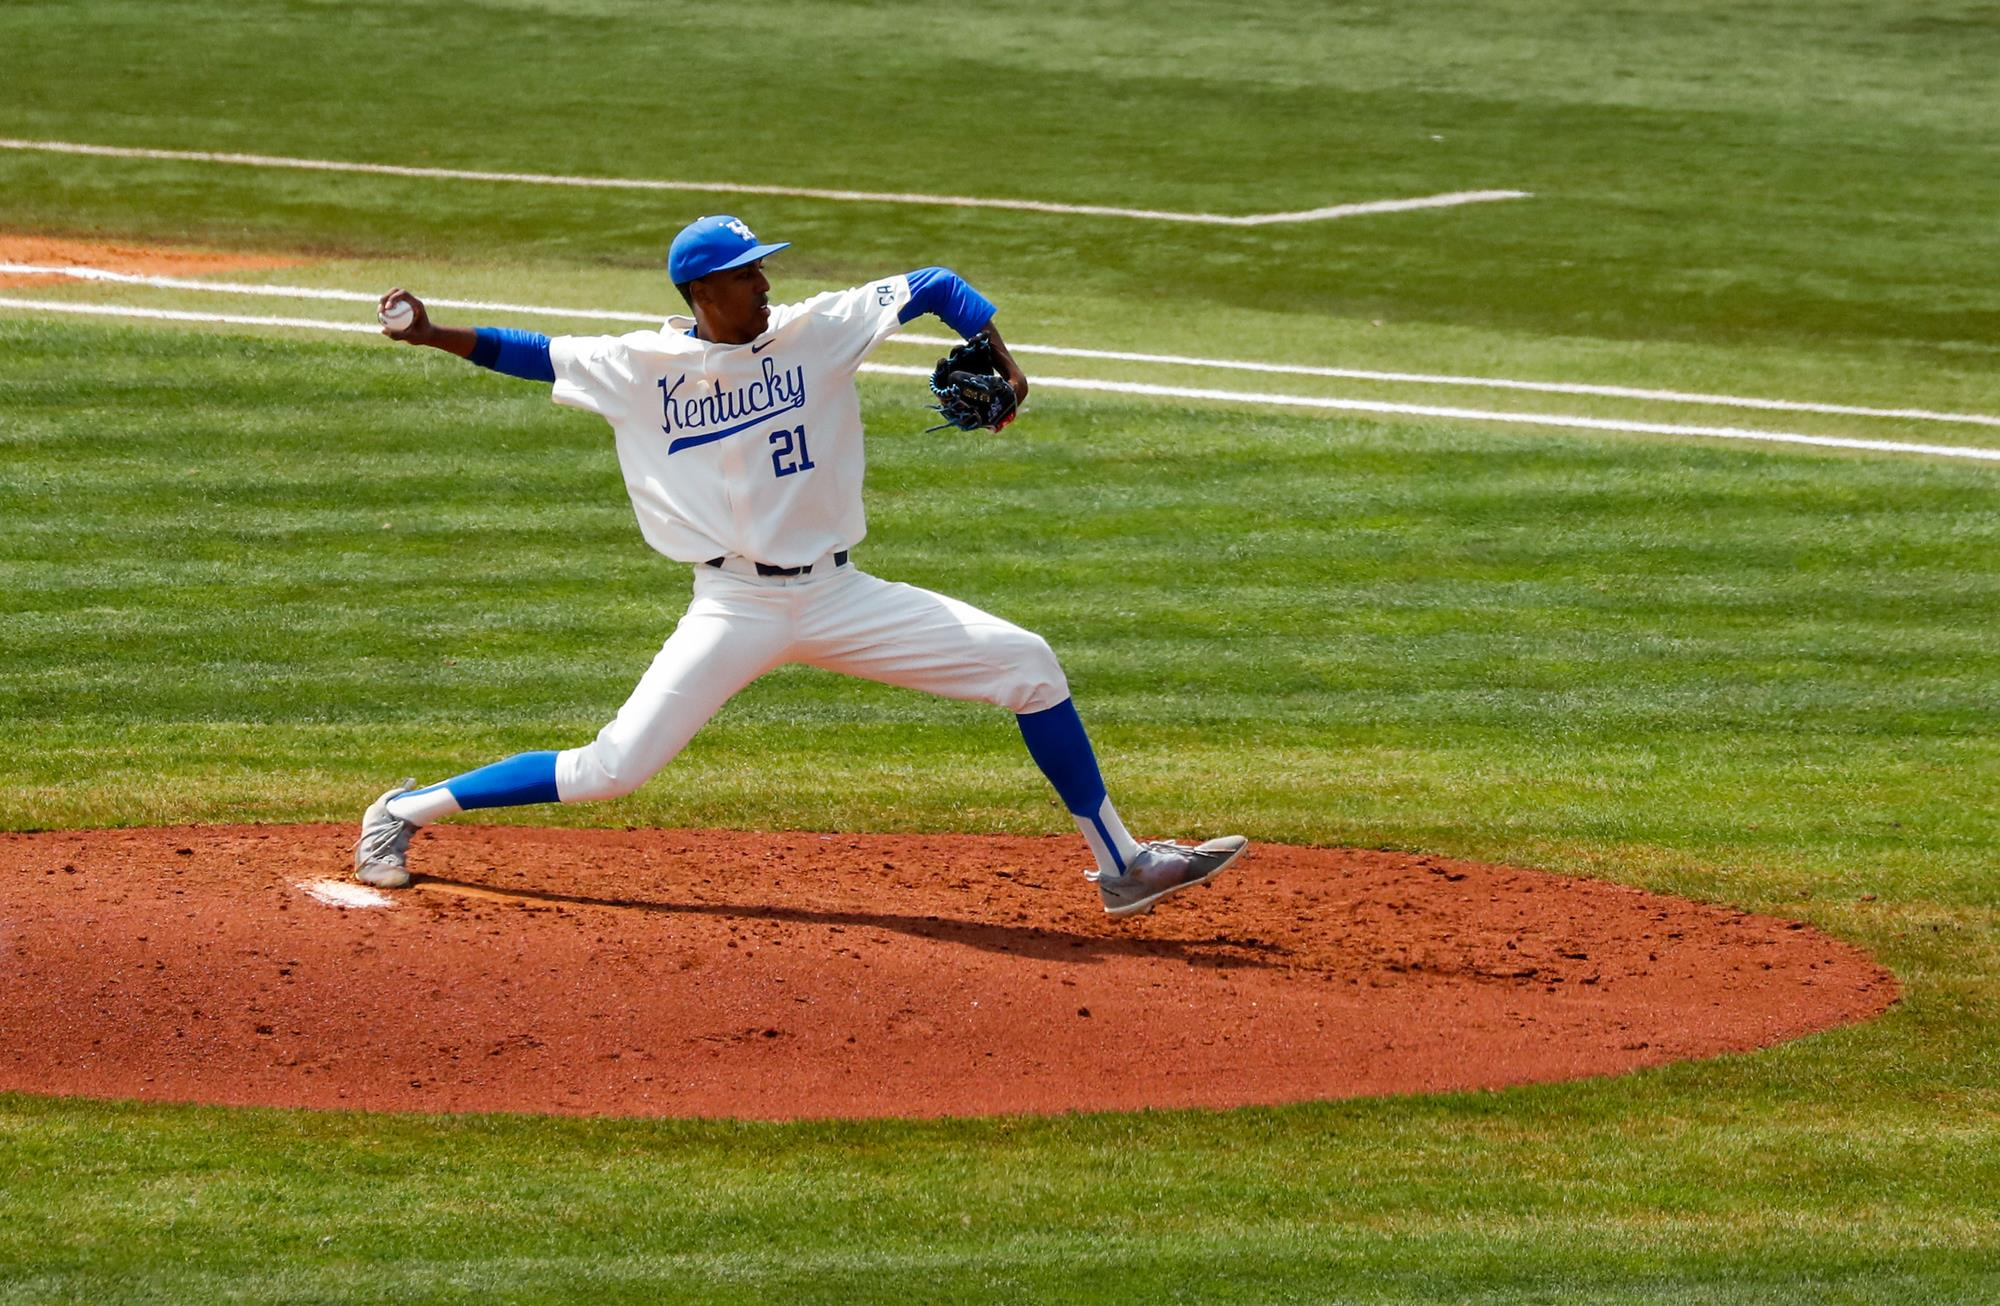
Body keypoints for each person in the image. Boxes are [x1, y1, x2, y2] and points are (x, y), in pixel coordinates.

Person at [354, 214, 1245, 916]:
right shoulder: (640, 365)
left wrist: (1011, 374)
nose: (766, 281)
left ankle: (1123, 864)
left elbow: (935, 285)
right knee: (610, 770)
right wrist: (432, 334)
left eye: (764, 265)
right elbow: (530, 351)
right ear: (703, 289)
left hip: (840, 595)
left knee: (1029, 665)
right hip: (733, 604)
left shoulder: (818, 328)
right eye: (748, 272)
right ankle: (405, 810)